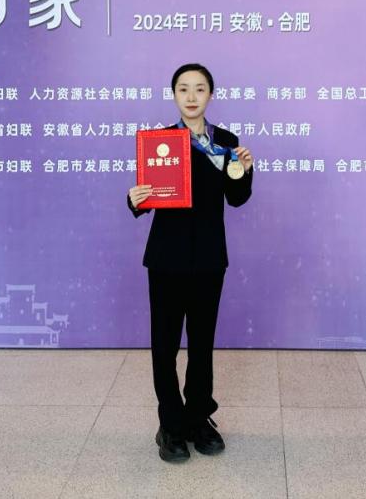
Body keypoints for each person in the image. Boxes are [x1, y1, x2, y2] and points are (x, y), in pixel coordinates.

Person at [127, 63, 254, 463]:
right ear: (174, 95)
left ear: (210, 95)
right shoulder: (161, 142)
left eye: (200, 88)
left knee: (201, 345)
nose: (192, 96)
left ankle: (199, 418)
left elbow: (236, 198)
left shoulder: (226, 141)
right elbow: (147, 198)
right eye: (184, 89)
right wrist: (134, 199)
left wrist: (244, 171)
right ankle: (171, 425)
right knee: (164, 347)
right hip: (166, 259)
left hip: (209, 259)